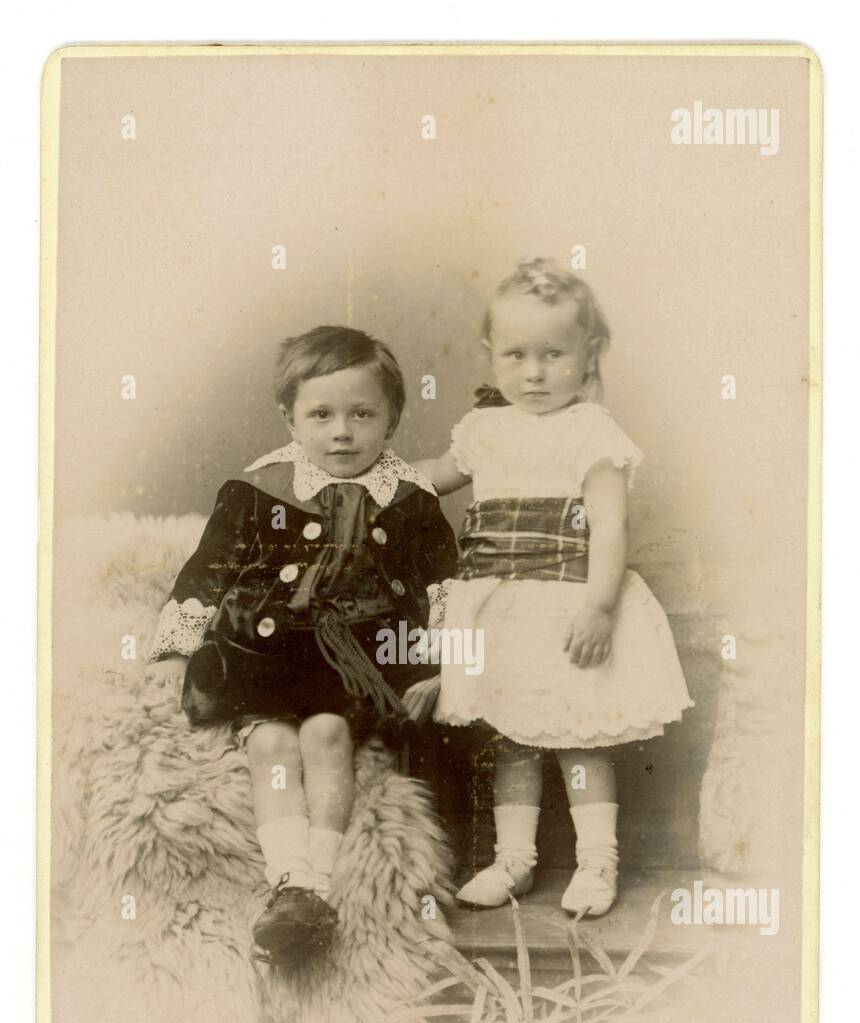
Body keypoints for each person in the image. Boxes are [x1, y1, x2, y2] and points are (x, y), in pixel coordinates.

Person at [147, 325, 457, 964]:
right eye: (321, 415)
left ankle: (317, 878)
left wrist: (450, 659)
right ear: (289, 418)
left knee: (326, 735)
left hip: (358, 658)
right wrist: (175, 650)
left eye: (362, 414)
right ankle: (290, 874)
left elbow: (442, 584)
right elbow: (206, 573)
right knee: (269, 740)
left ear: (392, 419)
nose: (342, 432)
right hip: (263, 653)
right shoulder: (259, 492)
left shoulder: (409, 500)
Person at [415, 259, 693, 917]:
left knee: (577, 736)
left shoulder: (590, 430)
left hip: (569, 603)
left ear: (587, 355)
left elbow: (610, 523)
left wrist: (599, 608)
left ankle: (599, 862)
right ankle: (515, 859)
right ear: (491, 354)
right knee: (511, 736)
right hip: (501, 610)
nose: (534, 373)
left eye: (554, 354)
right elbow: (432, 475)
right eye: (516, 355)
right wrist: (368, 475)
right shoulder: (482, 429)